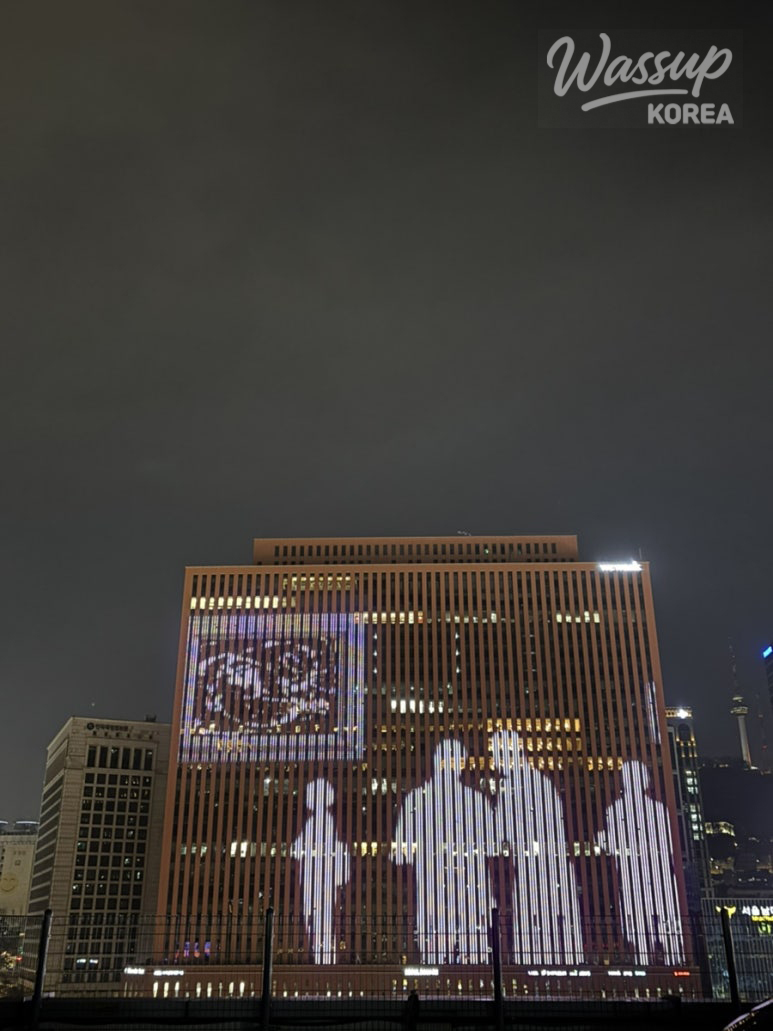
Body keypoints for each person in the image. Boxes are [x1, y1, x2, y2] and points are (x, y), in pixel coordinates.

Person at [394, 739, 495, 964]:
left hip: (469, 886)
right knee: (435, 938)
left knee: (470, 936)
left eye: (455, 761)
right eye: (444, 762)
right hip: (433, 886)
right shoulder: (417, 799)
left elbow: (492, 844)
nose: (449, 767)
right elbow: (401, 849)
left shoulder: (476, 800)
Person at [491, 730, 583, 965]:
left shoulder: (527, 783)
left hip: (542, 871)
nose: (497, 760)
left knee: (542, 927)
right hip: (530, 870)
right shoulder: (519, 783)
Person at [598, 760, 684, 965]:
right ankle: (664, 960)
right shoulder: (622, 810)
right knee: (643, 925)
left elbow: (666, 843)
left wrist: (605, 840)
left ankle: (668, 960)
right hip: (638, 877)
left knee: (659, 924)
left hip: (652, 875)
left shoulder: (649, 809)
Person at [292, 778, 351, 964]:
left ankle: (322, 954)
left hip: (320, 878)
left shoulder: (322, 821)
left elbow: (299, 847)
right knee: (316, 916)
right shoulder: (317, 821)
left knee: (319, 915)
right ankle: (320, 953)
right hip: (315, 877)